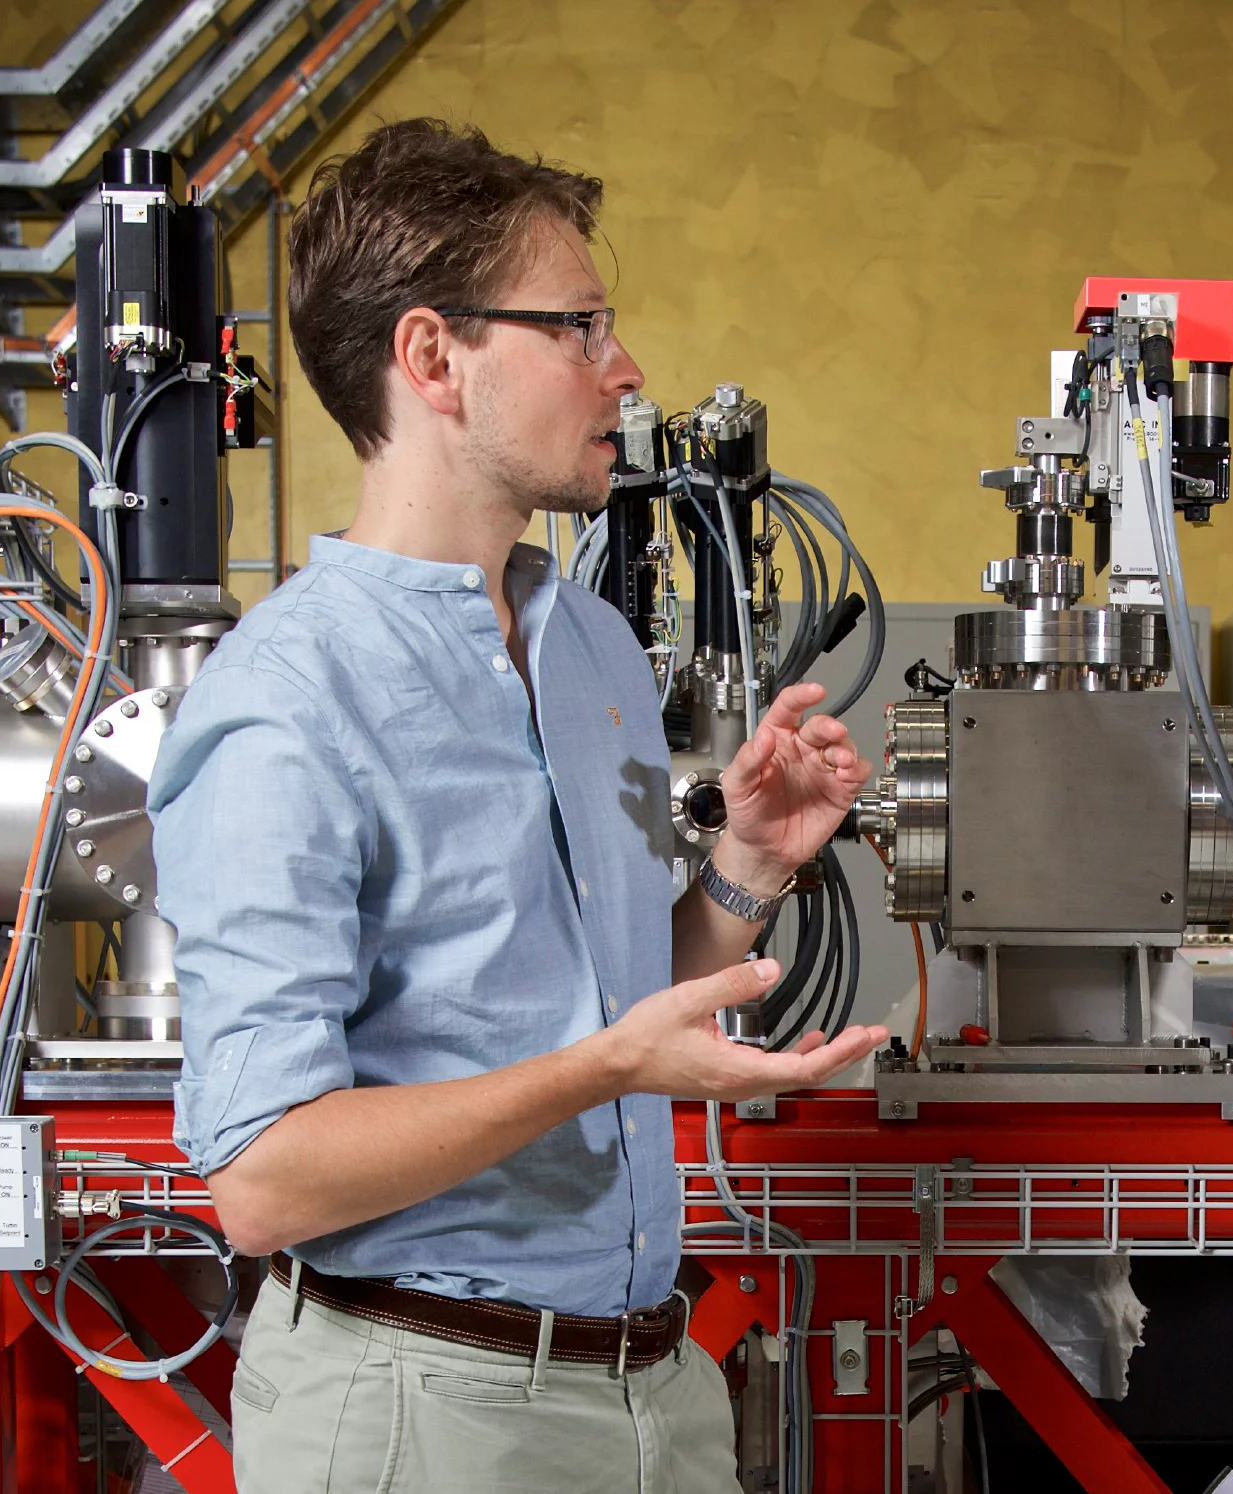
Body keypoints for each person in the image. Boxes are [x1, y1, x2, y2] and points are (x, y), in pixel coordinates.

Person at [148, 119, 886, 1494]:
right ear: (434, 357)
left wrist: (743, 867)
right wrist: (604, 1071)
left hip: (651, 1392)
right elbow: (261, 1177)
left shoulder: (589, 645)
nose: (627, 368)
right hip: (419, 1407)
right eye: (580, 327)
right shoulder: (285, 699)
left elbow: (610, 1010)